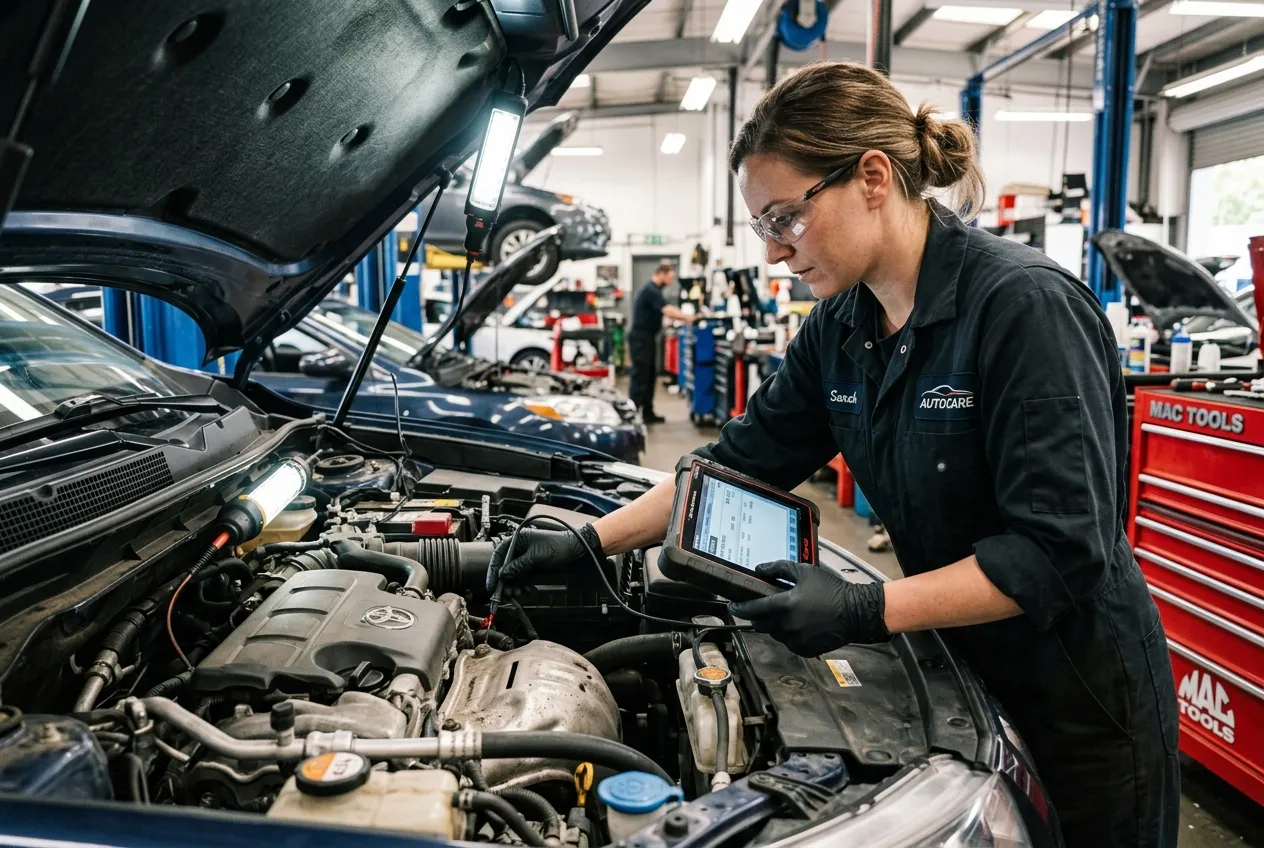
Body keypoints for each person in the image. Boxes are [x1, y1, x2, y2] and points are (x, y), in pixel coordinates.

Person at [488, 61, 1179, 847]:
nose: (778, 254)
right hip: (959, 665)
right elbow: (735, 464)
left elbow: (1058, 552)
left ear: (874, 177)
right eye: (764, 228)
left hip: (1075, 699)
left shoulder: (1024, 308)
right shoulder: (840, 328)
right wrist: (588, 540)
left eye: (787, 218)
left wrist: (865, 608)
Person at [627, 263, 696, 423]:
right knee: (640, 377)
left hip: (648, 338)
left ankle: (647, 412)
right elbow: (667, 310)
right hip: (641, 338)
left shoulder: (654, 291)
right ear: (662, 274)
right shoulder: (651, 290)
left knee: (650, 375)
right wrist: (688, 318)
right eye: (670, 277)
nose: (671, 281)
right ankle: (632, 415)